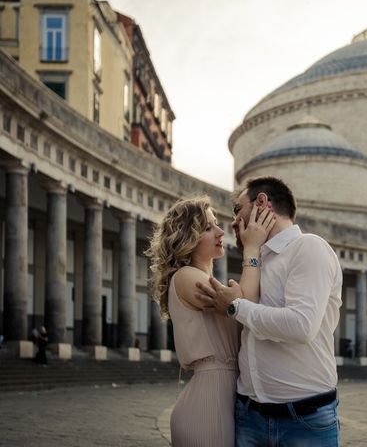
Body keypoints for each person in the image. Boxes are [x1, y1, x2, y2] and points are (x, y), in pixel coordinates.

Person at [195, 176, 343, 446]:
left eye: (237, 210)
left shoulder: (308, 247)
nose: (233, 222)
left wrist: (234, 306)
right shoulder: (256, 259)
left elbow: (300, 326)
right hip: (249, 415)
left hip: (304, 419)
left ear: (262, 203)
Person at [145, 194, 275, 447]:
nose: (219, 231)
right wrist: (251, 248)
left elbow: (243, 305)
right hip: (207, 405)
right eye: (207, 227)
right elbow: (245, 304)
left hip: (223, 398)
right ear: (187, 238)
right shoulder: (185, 276)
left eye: (215, 223)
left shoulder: (201, 278)